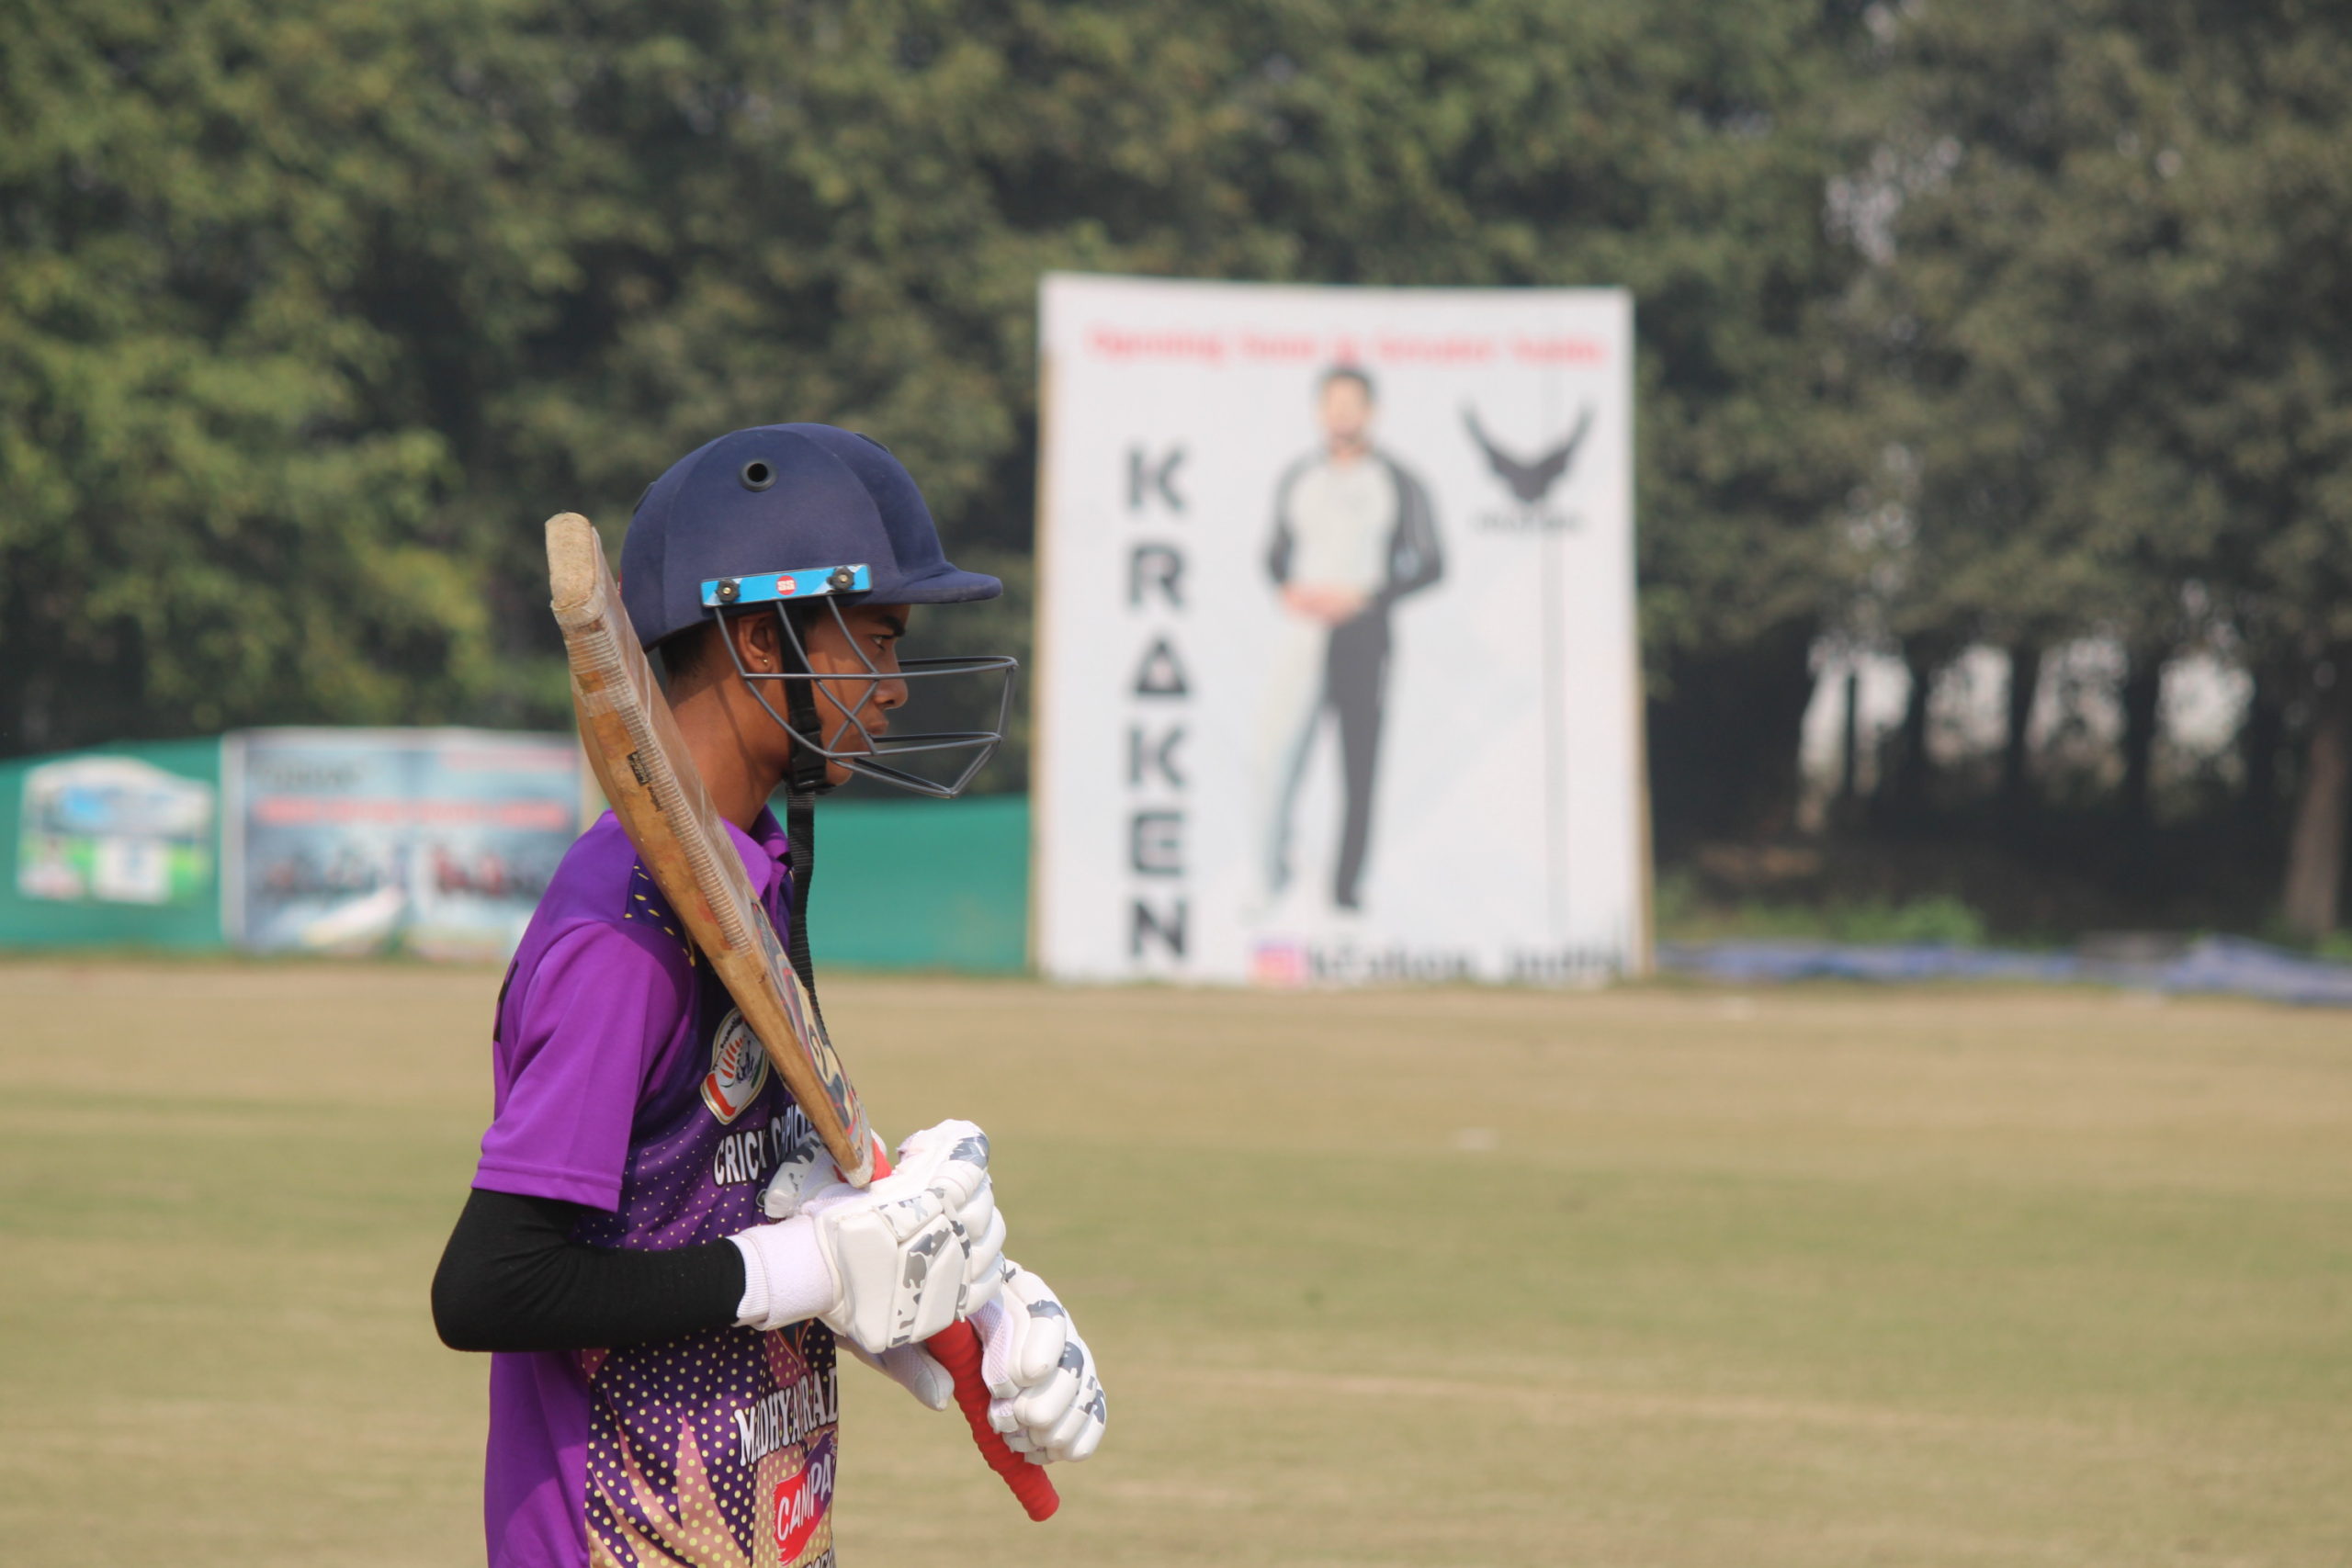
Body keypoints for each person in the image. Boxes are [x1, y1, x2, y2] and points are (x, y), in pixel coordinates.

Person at [432, 423, 1107, 1568]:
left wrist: (961, 1304)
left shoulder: (750, 875)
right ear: (758, 636)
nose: (892, 688)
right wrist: (800, 1271)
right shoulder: (626, 930)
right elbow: (494, 1286)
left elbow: (751, 1194)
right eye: (877, 640)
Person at [1259, 367, 1444, 913]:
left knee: (1357, 766)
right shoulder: (1300, 476)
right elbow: (1275, 552)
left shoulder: (1399, 481)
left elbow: (1431, 561)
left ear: (1371, 412)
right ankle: (1274, 874)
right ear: (1320, 411)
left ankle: (1345, 891)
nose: (1341, 414)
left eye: (1352, 403)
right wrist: (1289, 589)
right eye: (1332, 403)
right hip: (1305, 635)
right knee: (1277, 754)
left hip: (1366, 635)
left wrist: (1368, 597)